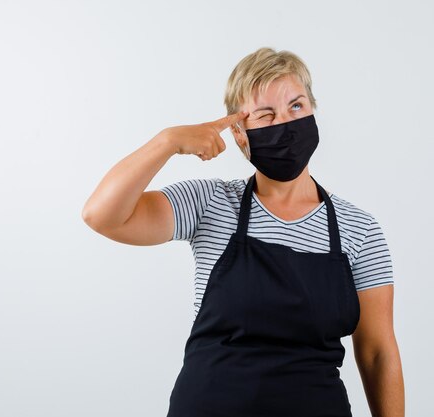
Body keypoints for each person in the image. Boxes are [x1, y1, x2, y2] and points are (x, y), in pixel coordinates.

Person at [82, 47, 404, 417]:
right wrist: (167, 141)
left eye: (296, 107)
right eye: (266, 114)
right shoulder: (209, 203)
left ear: (314, 110)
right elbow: (101, 215)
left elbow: (378, 352)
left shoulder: (359, 229)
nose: (285, 123)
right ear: (238, 132)